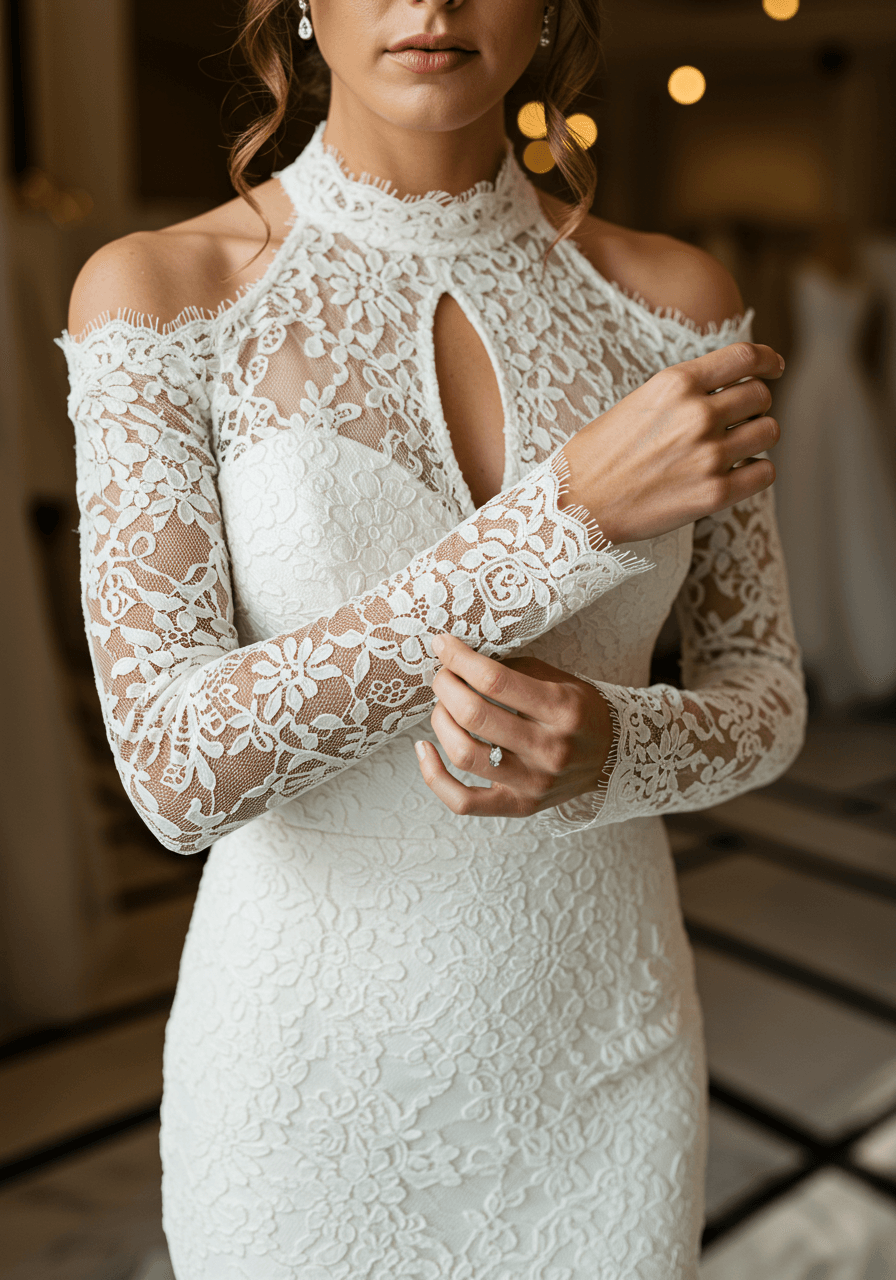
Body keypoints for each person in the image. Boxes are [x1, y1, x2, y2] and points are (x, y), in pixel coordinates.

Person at [58, 1, 806, 1275]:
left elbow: (766, 696)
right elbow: (175, 771)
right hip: (302, 1091)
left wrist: (613, 746)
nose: (431, 1)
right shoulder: (163, 295)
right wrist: (563, 521)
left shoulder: (675, 305)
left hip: (601, 1063)